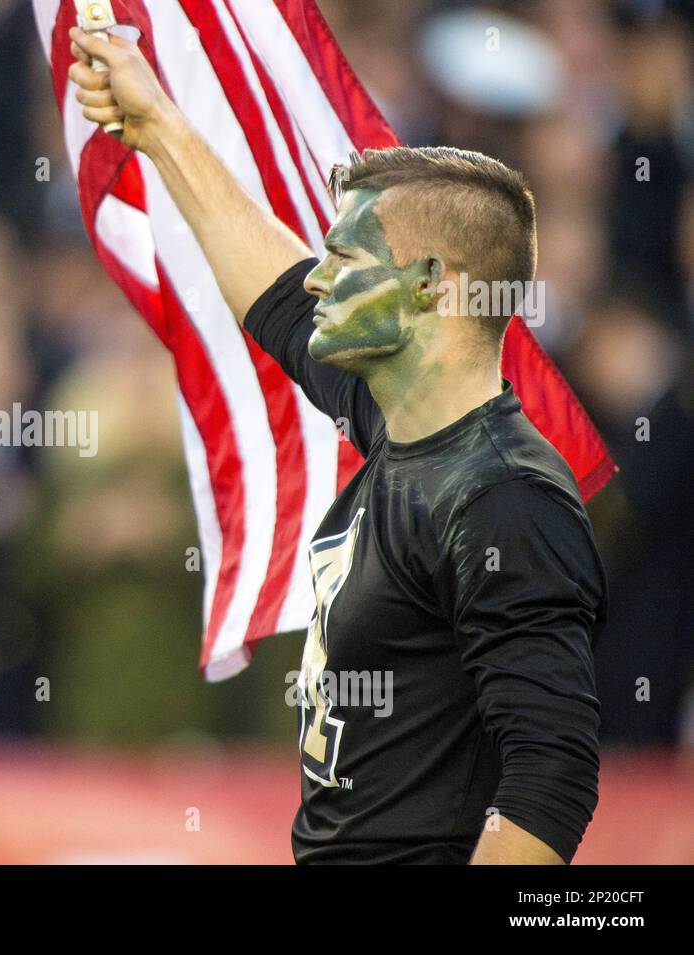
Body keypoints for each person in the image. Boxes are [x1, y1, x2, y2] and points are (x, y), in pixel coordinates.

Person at [68, 27, 606, 864]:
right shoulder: (399, 424)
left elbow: (552, 775)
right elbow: (275, 294)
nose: (320, 276)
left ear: (433, 286)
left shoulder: (504, 494)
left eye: (345, 256)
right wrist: (157, 127)